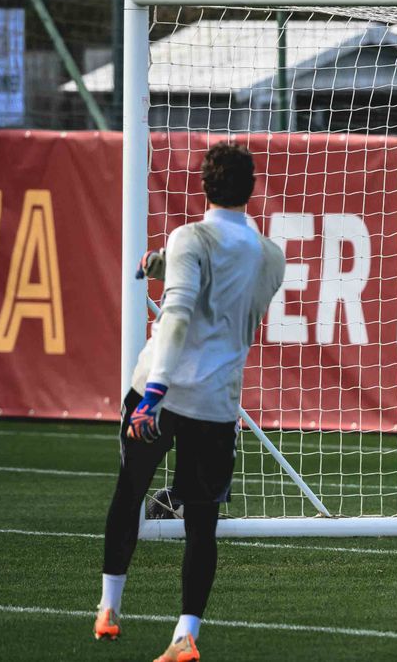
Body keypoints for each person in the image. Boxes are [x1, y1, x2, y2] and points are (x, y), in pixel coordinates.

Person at [94, 142, 285, 661]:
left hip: (160, 388)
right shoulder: (273, 256)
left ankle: (109, 607)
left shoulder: (190, 236)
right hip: (218, 403)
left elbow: (178, 314)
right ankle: (185, 635)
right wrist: (166, 261)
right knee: (202, 525)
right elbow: (227, 304)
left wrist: (153, 394)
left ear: (204, 186)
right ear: (251, 189)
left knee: (129, 493)